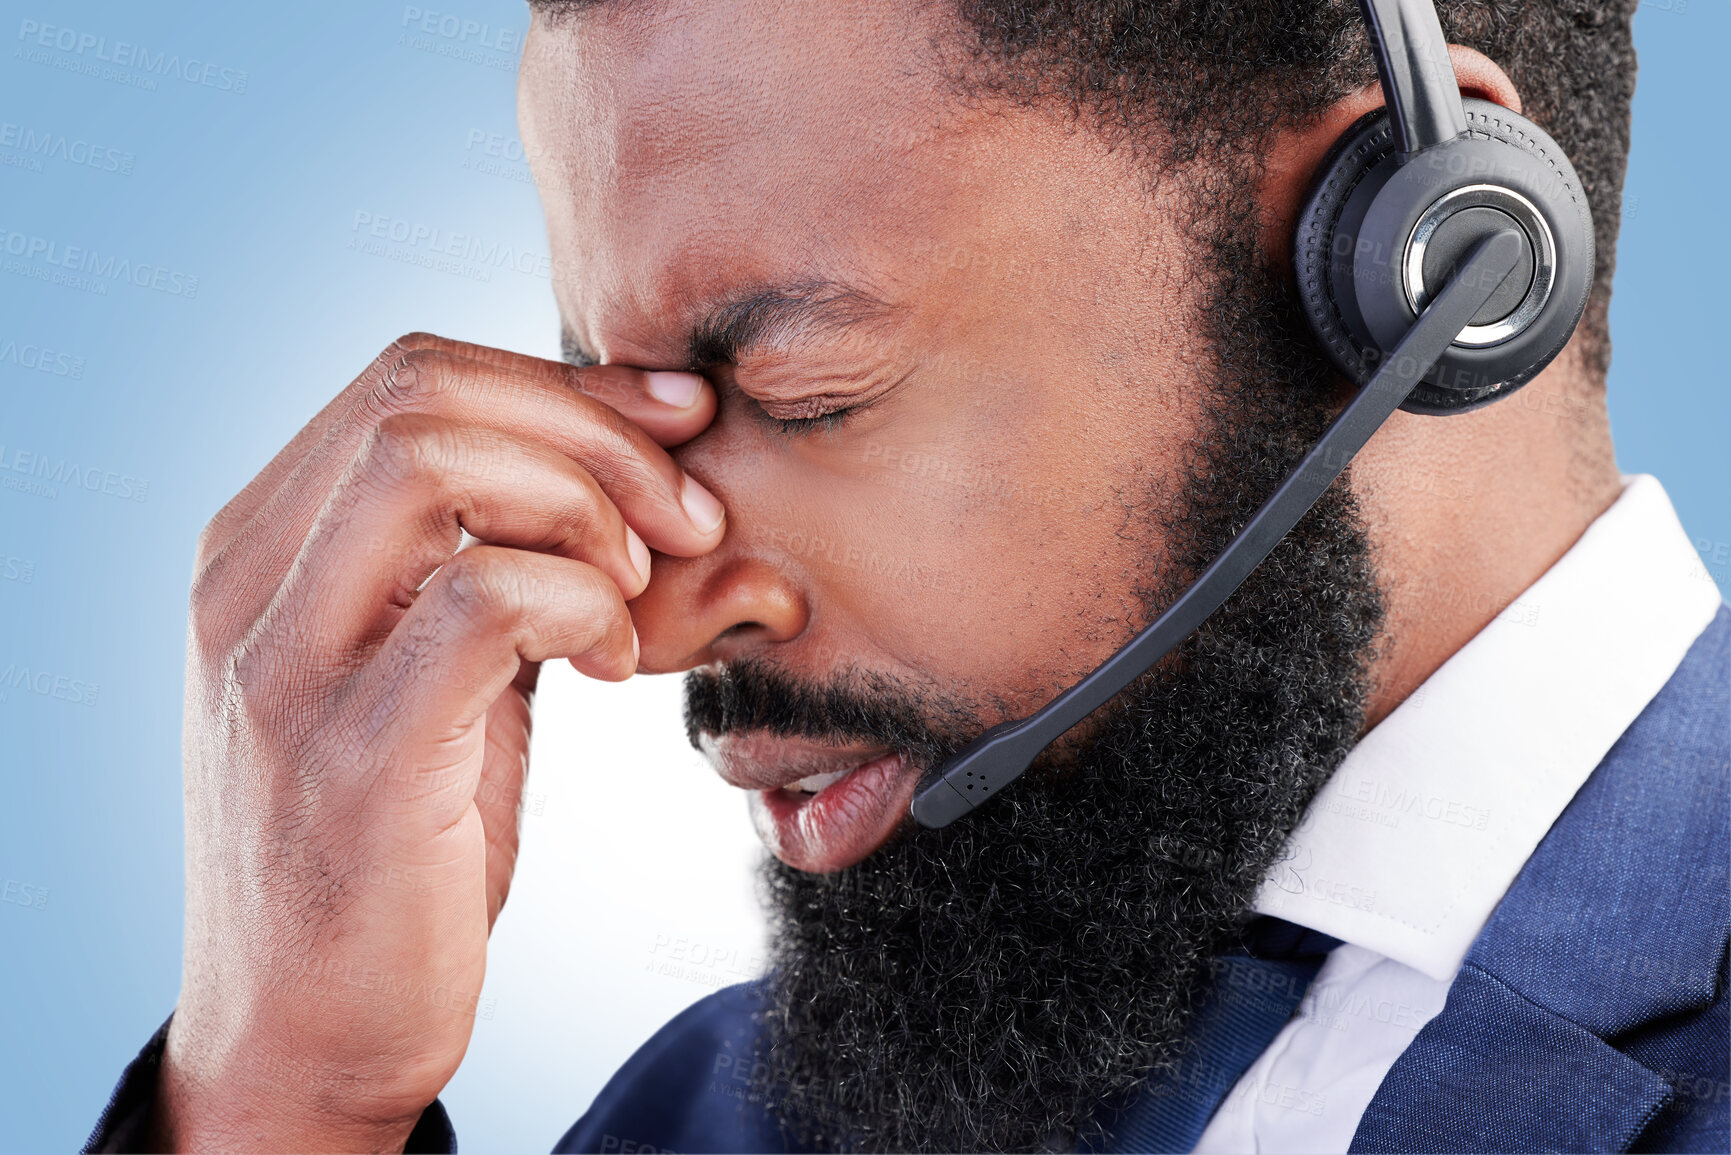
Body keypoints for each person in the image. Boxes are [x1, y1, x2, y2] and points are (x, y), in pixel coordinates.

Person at [86, 1, 1726, 1152]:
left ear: (1427, 264)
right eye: (620, 407)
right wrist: (276, 1107)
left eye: (809, 394)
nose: (652, 624)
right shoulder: (712, 1119)